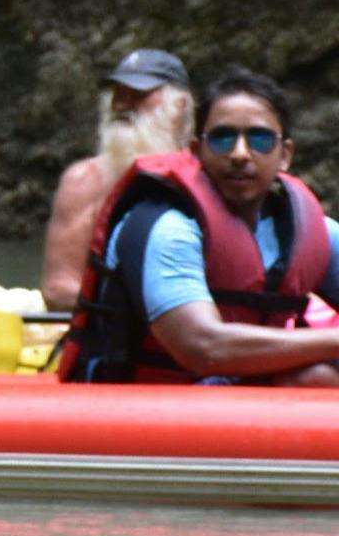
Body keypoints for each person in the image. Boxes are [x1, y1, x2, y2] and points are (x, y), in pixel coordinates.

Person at [59, 68, 339, 386]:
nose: (239, 154)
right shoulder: (167, 226)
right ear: (196, 151)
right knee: (312, 378)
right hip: (151, 409)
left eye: (259, 139)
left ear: (284, 155)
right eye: (222, 138)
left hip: (240, 399)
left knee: (313, 376)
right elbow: (202, 347)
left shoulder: (313, 231)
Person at [41, 49, 194, 312]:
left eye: (138, 94)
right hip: (113, 331)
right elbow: (59, 289)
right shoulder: (84, 180)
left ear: (179, 106)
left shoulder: (210, 177)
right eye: (118, 94)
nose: (122, 104)